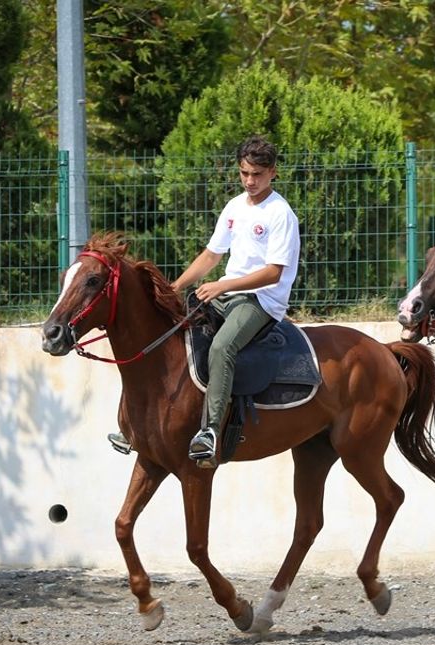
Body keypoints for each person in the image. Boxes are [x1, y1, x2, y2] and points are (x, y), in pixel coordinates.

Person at [108, 136, 300, 467]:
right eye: (244, 173)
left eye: (257, 174)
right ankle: (135, 426)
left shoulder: (280, 214)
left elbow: (273, 273)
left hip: (261, 302)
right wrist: (175, 286)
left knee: (222, 348)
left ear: (273, 173)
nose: (249, 181)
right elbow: (212, 254)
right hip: (227, 292)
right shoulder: (235, 207)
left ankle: (209, 432)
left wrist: (223, 287)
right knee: (167, 332)